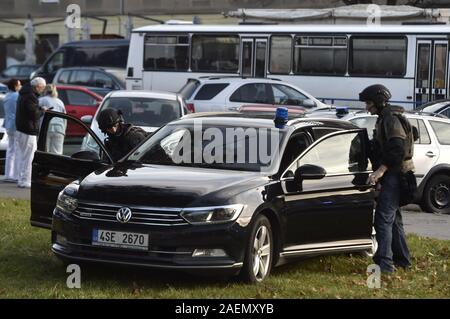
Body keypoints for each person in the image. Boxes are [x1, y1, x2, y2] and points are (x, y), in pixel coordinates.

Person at [359, 84, 415, 273]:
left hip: (395, 175)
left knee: (382, 220)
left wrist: (380, 171)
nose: (367, 107)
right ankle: (403, 261)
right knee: (394, 220)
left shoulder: (391, 119)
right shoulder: (385, 118)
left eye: (369, 103)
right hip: (395, 175)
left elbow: (397, 149)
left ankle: (385, 265)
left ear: (379, 101)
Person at [15, 77, 47, 188]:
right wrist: (42, 110)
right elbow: (33, 114)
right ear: (37, 87)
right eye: (42, 88)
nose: (42, 90)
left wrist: (38, 108)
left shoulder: (24, 93)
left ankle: (21, 179)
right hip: (28, 130)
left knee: (23, 156)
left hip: (21, 128)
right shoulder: (31, 96)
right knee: (29, 157)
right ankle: (25, 180)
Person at [2, 79, 22, 182]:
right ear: (15, 86)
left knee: (10, 150)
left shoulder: (7, 96)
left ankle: (8, 174)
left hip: (8, 125)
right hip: (15, 125)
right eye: (19, 84)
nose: (20, 86)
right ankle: (15, 175)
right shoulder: (17, 96)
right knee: (17, 150)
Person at [39, 84, 66, 154]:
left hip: (46, 128)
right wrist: (64, 131)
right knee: (58, 153)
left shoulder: (41, 100)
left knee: (45, 152)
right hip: (60, 129)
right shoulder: (60, 102)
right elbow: (65, 118)